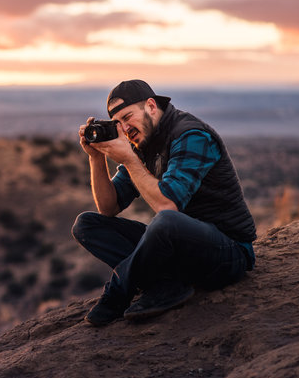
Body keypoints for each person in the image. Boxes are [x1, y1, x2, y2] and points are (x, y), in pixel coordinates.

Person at [73, 79, 256, 326]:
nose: (125, 128)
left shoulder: (191, 135)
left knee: (166, 221)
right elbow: (108, 207)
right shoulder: (141, 145)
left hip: (227, 251)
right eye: (118, 124)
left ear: (150, 106)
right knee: (87, 225)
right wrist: (96, 158)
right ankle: (166, 286)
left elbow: (168, 205)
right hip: (181, 248)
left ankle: (119, 292)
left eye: (128, 117)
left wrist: (129, 160)